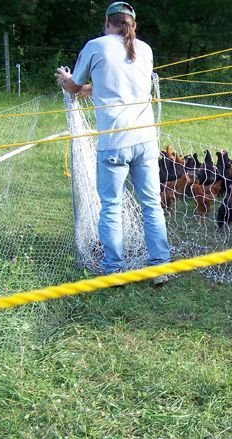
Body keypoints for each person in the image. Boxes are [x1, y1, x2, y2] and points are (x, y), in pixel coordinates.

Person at [55, 1, 170, 284]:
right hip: (145, 139)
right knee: (152, 204)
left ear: (108, 22)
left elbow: (75, 86)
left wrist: (65, 79)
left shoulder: (97, 46)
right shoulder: (145, 49)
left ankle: (114, 270)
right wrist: (92, 89)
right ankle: (161, 267)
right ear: (132, 24)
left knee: (111, 205)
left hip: (114, 142)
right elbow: (126, 85)